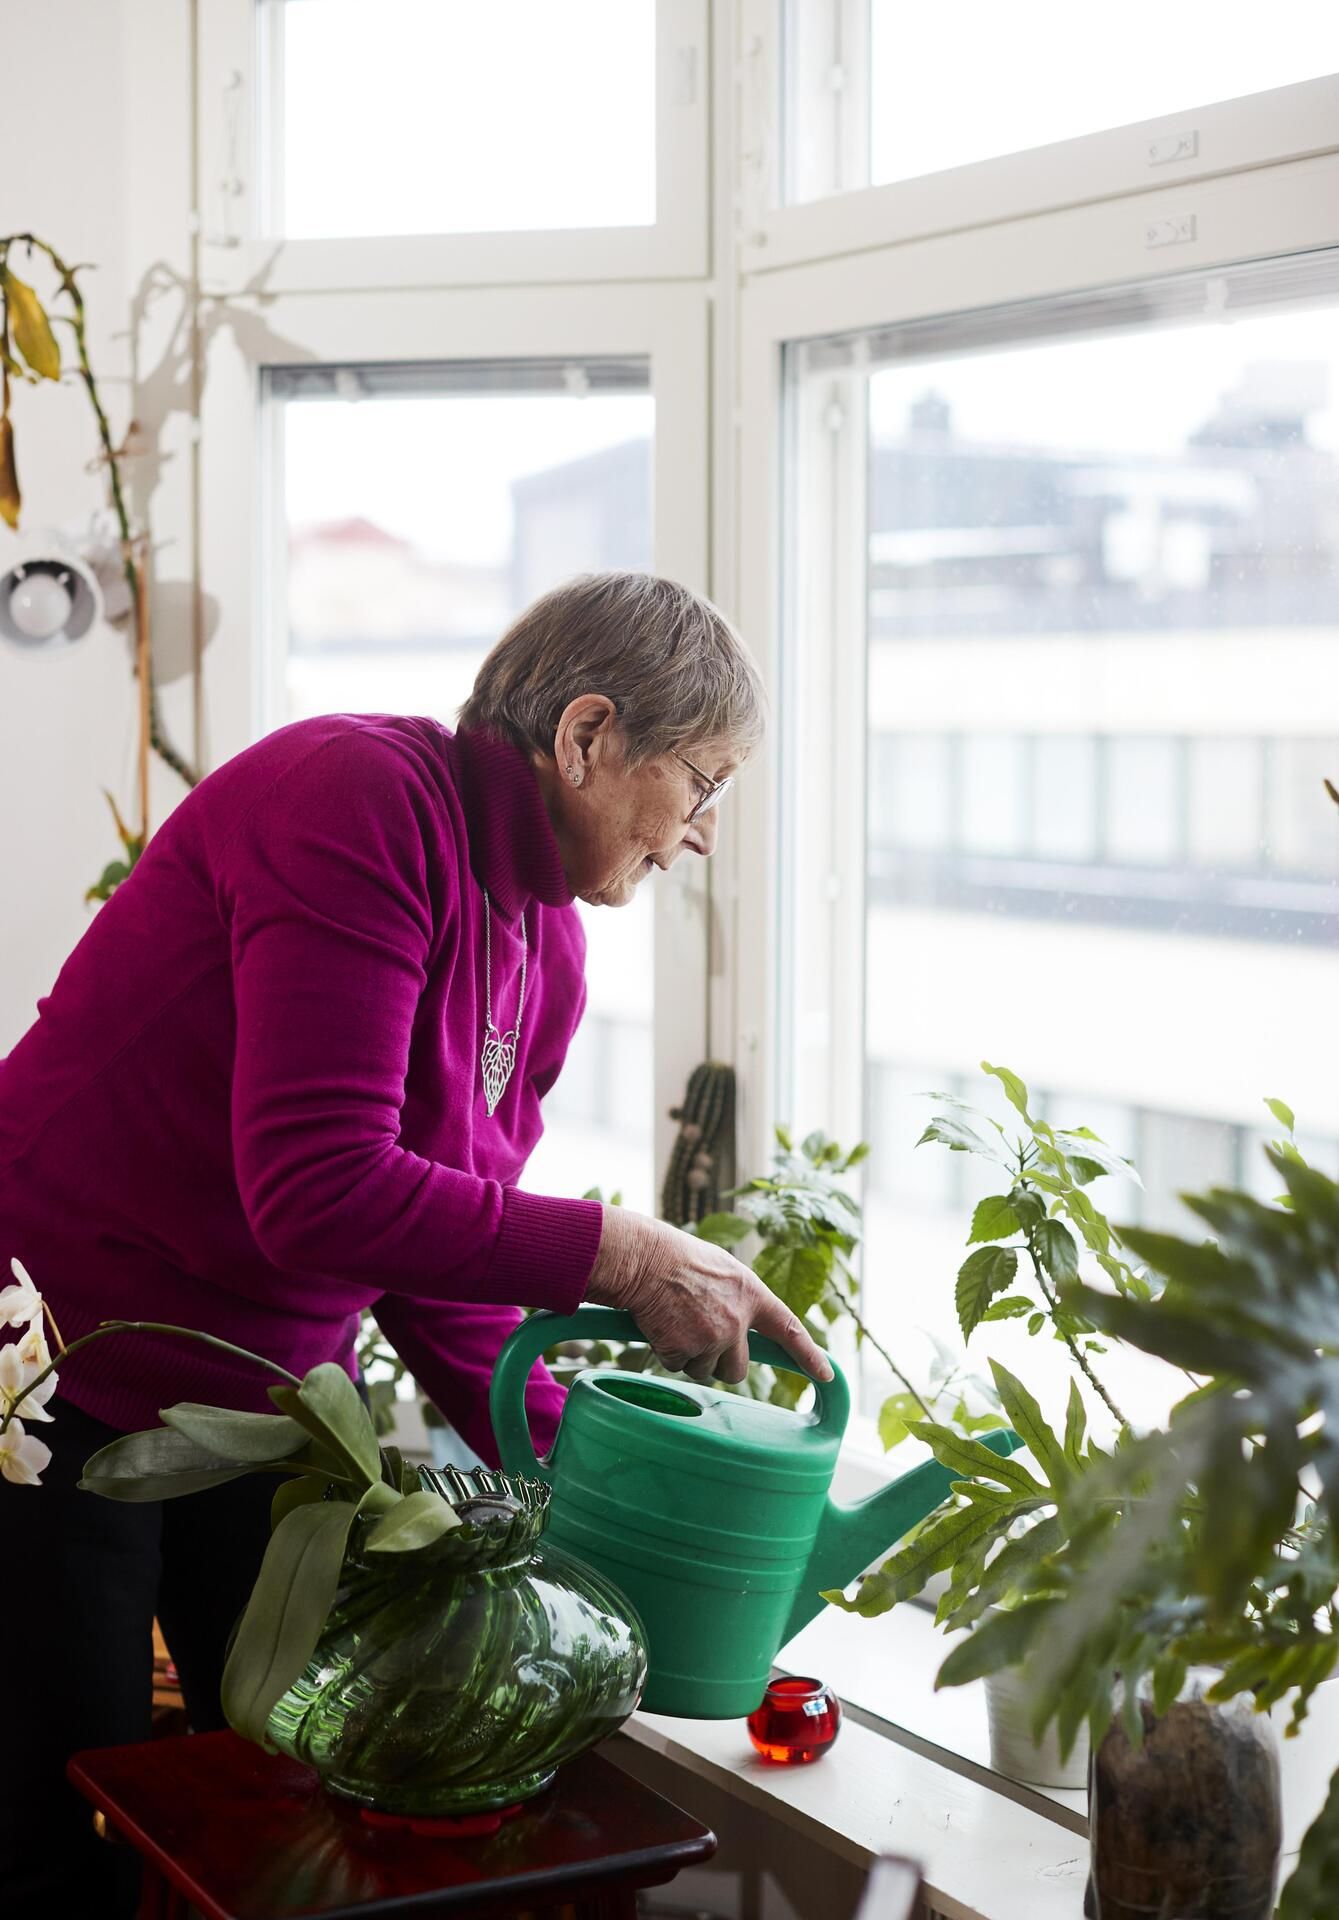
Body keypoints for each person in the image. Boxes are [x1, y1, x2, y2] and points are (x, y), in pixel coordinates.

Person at [0, 569, 830, 1914]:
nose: (703, 833)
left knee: (284, 1789)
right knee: (67, 1810)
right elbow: (320, 1188)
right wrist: (623, 1252)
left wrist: (584, 1492)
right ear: (587, 735)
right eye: (705, 783)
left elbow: (434, 1266)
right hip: (49, 1352)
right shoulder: (357, 801)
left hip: (246, 1395)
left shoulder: (544, 944)